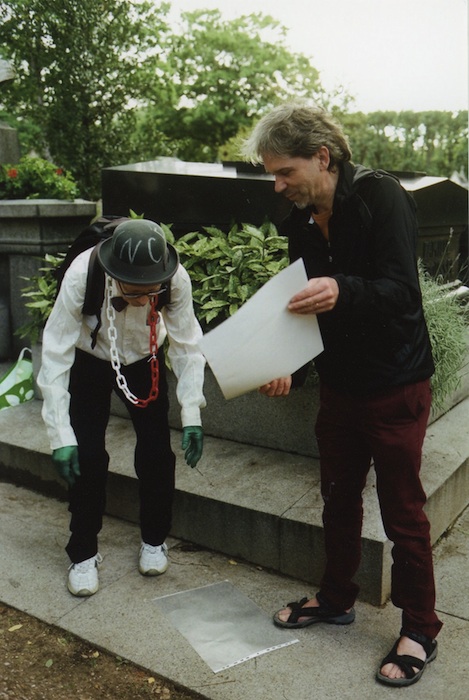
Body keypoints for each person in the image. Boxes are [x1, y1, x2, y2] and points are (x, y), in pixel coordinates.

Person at [241, 103, 442, 688]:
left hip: (396, 385)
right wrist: (291, 369)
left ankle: (422, 627)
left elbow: (403, 294)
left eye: (285, 172)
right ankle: (336, 599)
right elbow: (304, 312)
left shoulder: (381, 198)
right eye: (272, 176)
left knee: (403, 512)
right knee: (337, 499)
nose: (278, 187)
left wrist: (341, 289)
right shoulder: (300, 224)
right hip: (341, 390)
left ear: (322, 157)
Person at [37, 218, 206, 597]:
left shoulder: (174, 278)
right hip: (90, 358)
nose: (145, 299)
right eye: (134, 290)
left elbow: (186, 343)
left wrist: (191, 412)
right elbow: (55, 350)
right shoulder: (84, 273)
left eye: (152, 291)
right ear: (114, 273)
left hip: (144, 360)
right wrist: (59, 434)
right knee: (89, 456)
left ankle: (154, 538)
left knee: (157, 453)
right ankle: (82, 552)